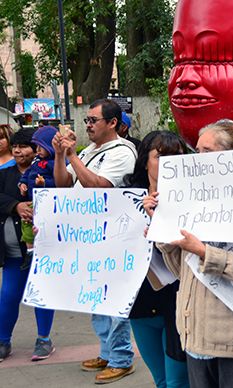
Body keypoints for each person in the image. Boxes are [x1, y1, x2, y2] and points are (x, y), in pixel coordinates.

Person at [143, 119, 233, 388]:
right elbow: (181, 273)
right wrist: (164, 231)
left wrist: (204, 251)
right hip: (196, 339)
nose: (197, 159)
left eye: (206, 152)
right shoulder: (194, 202)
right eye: (196, 151)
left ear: (231, 157)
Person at [53, 98, 138, 384]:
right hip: (88, 235)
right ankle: (106, 350)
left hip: (112, 236)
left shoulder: (122, 152)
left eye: (93, 120)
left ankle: (121, 358)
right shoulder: (90, 150)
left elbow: (99, 186)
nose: (87, 125)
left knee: (112, 299)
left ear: (112, 123)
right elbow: (64, 183)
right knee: (95, 297)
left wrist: (73, 156)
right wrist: (59, 155)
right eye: (87, 120)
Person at [123, 131, 189, 388]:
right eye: (161, 156)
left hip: (178, 303)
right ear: (145, 161)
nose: (170, 163)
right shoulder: (126, 197)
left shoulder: (195, 199)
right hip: (140, 304)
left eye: (177, 156)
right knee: (161, 381)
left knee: (177, 382)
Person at [0, 128, 55, 362]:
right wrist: (16, 206)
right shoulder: (4, 174)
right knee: (8, 295)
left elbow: (62, 191)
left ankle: (44, 339)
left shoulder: (47, 168)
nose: (17, 150)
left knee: (41, 293)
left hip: (44, 248)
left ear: (36, 150)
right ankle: (3, 341)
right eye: (15, 146)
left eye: (23, 146)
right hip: (14, 253)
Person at [18, 125, 59, 262]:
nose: (38, 150)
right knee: (27, 223)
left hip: (47, 203)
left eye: (41, 147)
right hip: (32, 200)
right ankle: (30, 250)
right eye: (37, 147)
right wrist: (22, 183)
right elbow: (27, 173)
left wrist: (44, 184)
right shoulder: (36, 161)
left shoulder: (55, 163)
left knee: (42, 227)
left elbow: (60, 183)